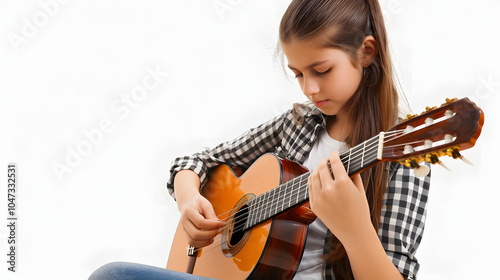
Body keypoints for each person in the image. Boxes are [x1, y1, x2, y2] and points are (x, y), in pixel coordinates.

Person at [89, 0, 430, 279]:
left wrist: (356, 229)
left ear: (367, 52)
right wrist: (189, 199)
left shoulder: (403, 152)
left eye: (322, 71)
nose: (310, 88)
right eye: (297, 74)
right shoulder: (297, 124)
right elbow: (196, 162)